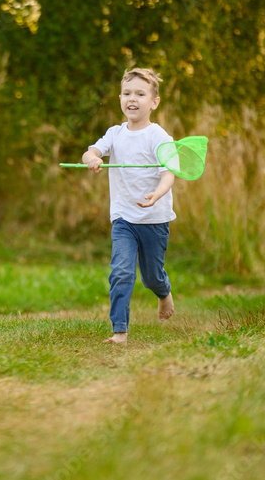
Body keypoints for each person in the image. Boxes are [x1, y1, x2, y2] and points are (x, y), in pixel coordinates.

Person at [82, 68, 176, 344]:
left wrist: (157, 193)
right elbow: (92, 150)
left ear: (154, 102)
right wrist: (93, 158)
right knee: (121, 271)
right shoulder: (115, 133)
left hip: (154, 218)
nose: (131, 99)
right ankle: (119, 331)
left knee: (151, 277)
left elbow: (169, 172)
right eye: (126, 93)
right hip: (123, 218)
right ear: (120, 98)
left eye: (140, 93)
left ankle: (163, 292)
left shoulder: (159, 137)